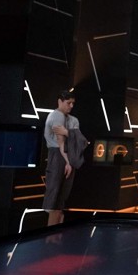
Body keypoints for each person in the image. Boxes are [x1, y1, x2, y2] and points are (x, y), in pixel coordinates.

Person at [42, 89, 87, 226]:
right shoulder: (56, 116)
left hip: (69, 155)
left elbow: (82, 141)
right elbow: (61, 143)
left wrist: (67, 132)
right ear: (60, 101)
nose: (71, 106)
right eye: (68, 103)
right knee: (54, 195)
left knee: (62, 196)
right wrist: (68, 162)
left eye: (73, 103)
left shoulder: (73, 120)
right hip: (58, 155)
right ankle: (50, 232)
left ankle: (57, 232)